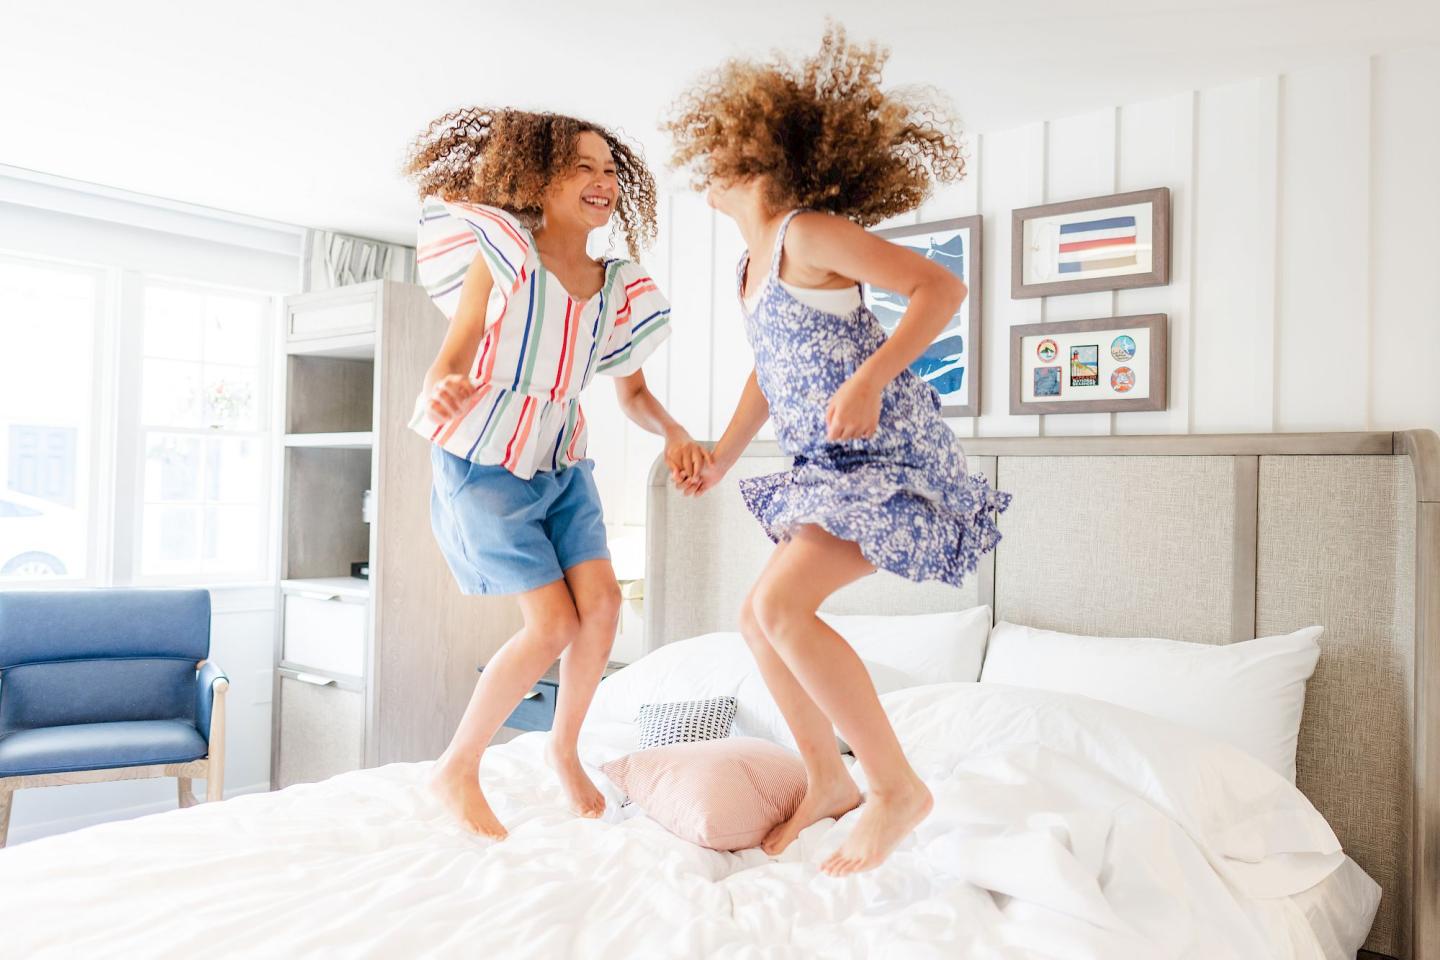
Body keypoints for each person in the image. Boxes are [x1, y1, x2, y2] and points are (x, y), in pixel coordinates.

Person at [665, 27, 1011, 875]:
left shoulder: (808, 232)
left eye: (716, 146)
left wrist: (870, 379)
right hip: (829, 467)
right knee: (758, 618)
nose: (701, 162)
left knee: (781, 611)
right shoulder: (749, 264)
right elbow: (769, 373)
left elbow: (942, 287)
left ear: (755, 154)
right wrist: (720, 453)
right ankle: (827, 777)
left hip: (886, 457)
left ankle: (894, 786)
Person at [404, 107, 707, 838]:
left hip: (561, 456)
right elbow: (454, 357)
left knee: (602, 608)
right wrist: (443, 385)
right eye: (582, 166)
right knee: (552, 625)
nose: (601, 180)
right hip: (483, 456)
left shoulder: (616, 288)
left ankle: (562, 748)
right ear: (538, 179)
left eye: (610, 169)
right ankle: (456, 767)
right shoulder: (506, 253)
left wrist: (674, 433)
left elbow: (630, 393)